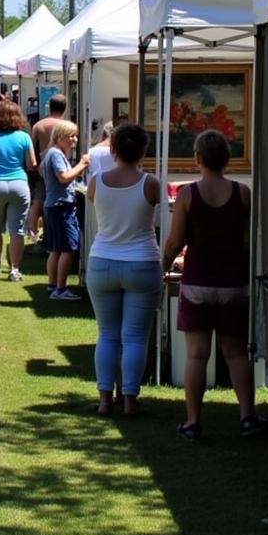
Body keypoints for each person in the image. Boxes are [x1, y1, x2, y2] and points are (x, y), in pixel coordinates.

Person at [163, 129, 268, 440]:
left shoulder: (187, 195)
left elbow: (174, 242)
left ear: (198, 159)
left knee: (196, 354)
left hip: (197, 281)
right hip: (233, 281)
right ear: (227, 158)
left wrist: (164, 267)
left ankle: (193, 422)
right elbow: (248, 238)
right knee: (235, 352)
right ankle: (247, 417)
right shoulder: (242, 193)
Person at [85, 123, 162, 418]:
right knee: (134, 337)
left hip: (103, 260)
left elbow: (95, 203)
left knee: (107, 335)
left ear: (113, 149)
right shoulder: (150, 183)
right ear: (143, 150)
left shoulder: (97, 181)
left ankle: (105, 399)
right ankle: (130, 399)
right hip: (141, 262)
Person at [0, 99, 35, 281]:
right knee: (16, 230)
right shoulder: (24, 137)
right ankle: (14, 269)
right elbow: (31, 164)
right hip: (19, 184)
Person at [41, 121, 90, 300]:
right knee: (69, 248)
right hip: (61, 207)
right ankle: (60, 290)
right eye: (71, 136)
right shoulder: (55, 154)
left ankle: (53, 285)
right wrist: (83, 164)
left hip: (54, 205)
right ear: (59, 137)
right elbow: (63, 178)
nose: (74, 140)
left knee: (56, 249)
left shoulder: (53, 153)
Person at [28, 94, 68, 244]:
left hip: (42, 168)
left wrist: (34, 168)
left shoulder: (39, 125)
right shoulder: (66, 126)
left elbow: (33, 148)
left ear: (49, 107)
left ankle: (33, 237)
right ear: (65, 107)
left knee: (37, 202)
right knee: (54, 203)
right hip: (61, 169)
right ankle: (50, 237)